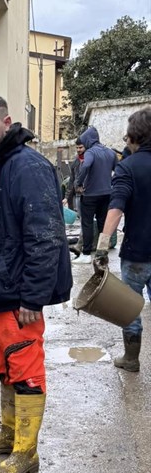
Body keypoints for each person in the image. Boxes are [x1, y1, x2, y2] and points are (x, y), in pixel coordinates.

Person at [0, 90, 72, 473]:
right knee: (4, 366)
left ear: (6, 124)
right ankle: (9, 433)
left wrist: (33, 295)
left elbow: (45, 236)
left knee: (25, 367)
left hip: (16, 292)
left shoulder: (26, 166)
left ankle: (26, 451)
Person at [92, 106, 151, 373]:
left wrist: (102, 247)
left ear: (135, 135)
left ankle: (131, 359)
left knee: (130, 308)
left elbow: (116, 208)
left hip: (137, 253)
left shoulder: (128, 167)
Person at [74, 127, 117, 263]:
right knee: (103, 223)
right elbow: (119, 169)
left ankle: (86, 254)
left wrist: (78, 183)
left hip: (90, 194)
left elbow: (86, 166)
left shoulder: (90, 153)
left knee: (87, 223)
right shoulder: (110, 152)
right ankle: (102, 253)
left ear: (88, 140)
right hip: (107, 194)